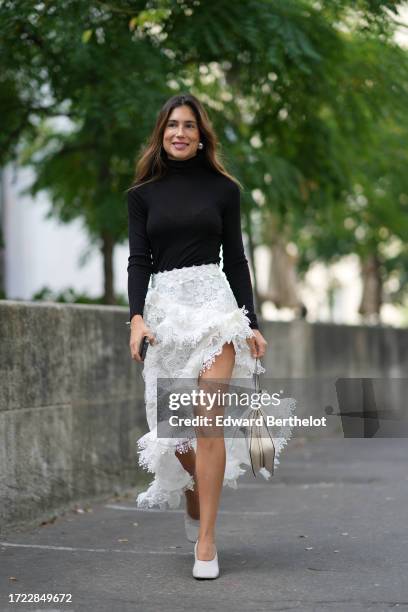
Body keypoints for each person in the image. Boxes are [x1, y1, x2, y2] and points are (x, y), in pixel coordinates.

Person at [126, 93, 290, 579]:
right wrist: (136, 318)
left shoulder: (224, 189)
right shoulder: (141, 196)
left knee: (207, 417)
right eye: (172, 125)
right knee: (173, 434)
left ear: (202, 138)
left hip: (216, 312)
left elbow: (236, 259)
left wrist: (251, 322)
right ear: (161, 134)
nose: (180, 133)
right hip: (166, 316)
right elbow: (139, 261)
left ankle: (207, 542)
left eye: (189, 127)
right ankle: (197, 493)